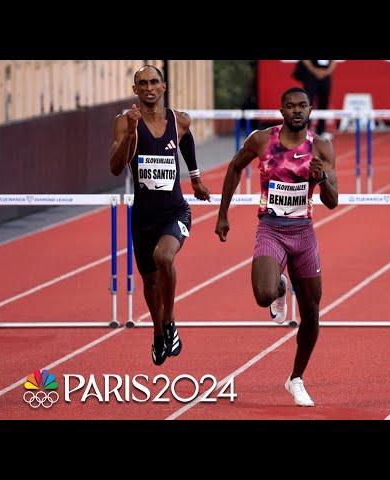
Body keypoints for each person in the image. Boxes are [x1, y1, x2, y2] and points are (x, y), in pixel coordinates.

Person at [215, 87, 338, 406]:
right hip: (271, 229)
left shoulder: (321, 146)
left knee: (312, 314)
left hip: (303, 234)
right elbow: (234, 167)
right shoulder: (261, 140)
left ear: (310, 110)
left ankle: (296, 378)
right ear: (281, 110)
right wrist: (223, 214)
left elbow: (333, 201)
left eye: (302, 106)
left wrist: (322, 178)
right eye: (290, 106)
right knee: (263, 295)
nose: (297, 111)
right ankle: (281, 289)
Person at [109, 65, 210, 365]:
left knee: (164, 258)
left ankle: (170, 321)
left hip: (175, 210)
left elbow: (187, 141)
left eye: (154, 82)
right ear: (135, 90)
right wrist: (130, 134)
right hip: (143, 217)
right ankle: (156, 331)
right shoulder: (123, 122)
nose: (149, 87)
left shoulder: (179, 120)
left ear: (164, 86)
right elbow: (116, 167)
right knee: (150, 283)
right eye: (143, 83)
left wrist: (195, 177)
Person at [293, 60, 337, 139]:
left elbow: (333, 61)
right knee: (307, 103)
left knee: (324, 103)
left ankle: (321, 131)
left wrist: (326, 72)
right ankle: (305, 131)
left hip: (325, 76)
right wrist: (314, 70)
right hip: (310, 75)